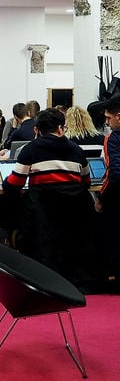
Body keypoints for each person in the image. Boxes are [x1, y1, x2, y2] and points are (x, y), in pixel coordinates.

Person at [3, 108, 99, 291]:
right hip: (74, 214)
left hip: (42, 214)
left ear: (36, 130)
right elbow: (86, 181)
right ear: (61, 129)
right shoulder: (76, 150)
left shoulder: (30, 150)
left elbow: (15, 183)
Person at [95, 96, 120, 291]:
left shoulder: (113, 138)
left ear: (118, 117)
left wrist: (101, 199)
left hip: (117, 198)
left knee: (112, 237)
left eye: (108, 118)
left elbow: (114, 173)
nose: (106, 122)